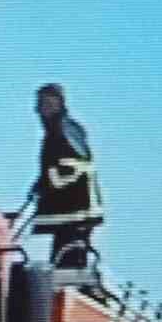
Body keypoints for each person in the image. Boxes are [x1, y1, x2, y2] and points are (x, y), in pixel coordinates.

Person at [28, 83, 104, 269]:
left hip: (76, 209)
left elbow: (73, 165)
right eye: (39, 104)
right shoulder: (56, 131)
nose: (40, 110)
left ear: (58, 104)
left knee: (70, 254)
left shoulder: (65, 130)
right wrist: (40, 184)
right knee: (62, 254)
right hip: (67, 211)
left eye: (45, 103)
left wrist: (47, 184)